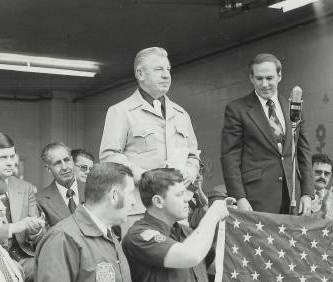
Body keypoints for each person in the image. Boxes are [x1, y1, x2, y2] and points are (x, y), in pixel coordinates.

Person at [99, 46, 201, 228]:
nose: (166, 75)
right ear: (140, 74)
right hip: (140, 209)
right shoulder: (121, 111)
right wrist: (146, 177)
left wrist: (188, 174)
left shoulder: (181, 114)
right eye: (159, 69)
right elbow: (109, 156)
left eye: (168, 69)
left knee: (180, 256)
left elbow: (193, 156)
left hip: (178, 210)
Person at [221, 53, 313, 215]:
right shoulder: (237, 109)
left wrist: (307, 192)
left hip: (294, 196)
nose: (264, 84)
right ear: (251, 78)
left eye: (269, 78)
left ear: (279, 76)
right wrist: (239, 197)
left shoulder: (294, 107)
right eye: (259, 78)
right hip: (256, 198)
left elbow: (303, 152)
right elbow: (230, 157)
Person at [0, 132, 45, 282]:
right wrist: (17, 226)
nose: (11, 163)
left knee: (55, 269)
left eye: (12, 156)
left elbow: (38, 236)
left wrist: (35, 230)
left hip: (24, 258)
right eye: (3, 158)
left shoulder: (25, 187)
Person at [37, 142, 86, 227]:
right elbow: (45, 238)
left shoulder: (92, 189)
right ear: (49, 169)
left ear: (72, 160)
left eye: (67, 160)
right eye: (57, 163)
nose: (64, 167)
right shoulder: (40, 200)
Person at [310, 153, 333, 220]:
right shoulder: (299, 195)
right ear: (308, 172)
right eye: (318, 172)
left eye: (327, 173)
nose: (322, 177)